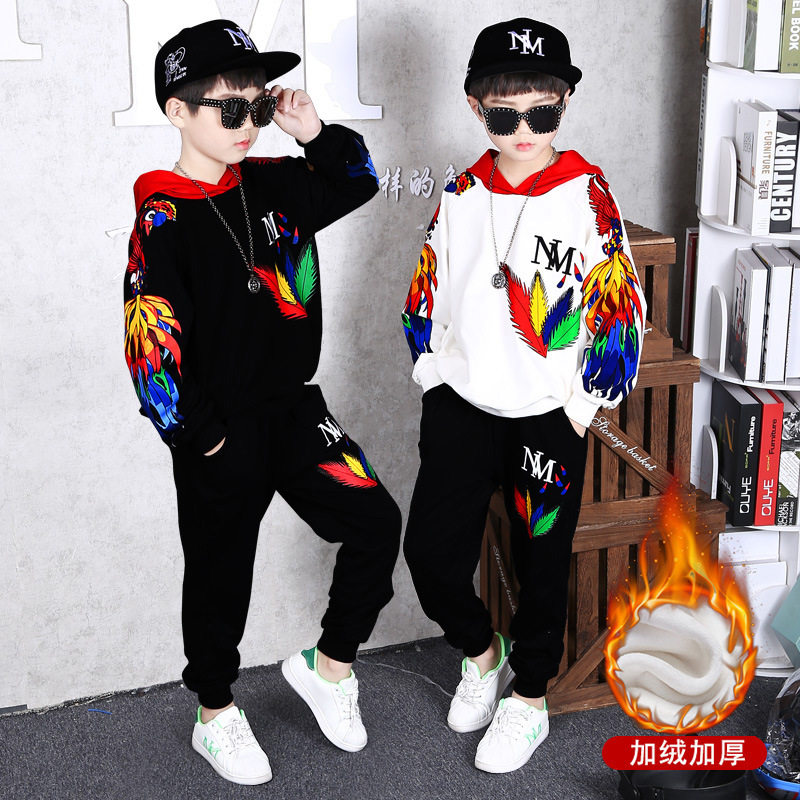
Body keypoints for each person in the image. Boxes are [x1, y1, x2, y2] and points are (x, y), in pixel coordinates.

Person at [123, 19, 401, 786]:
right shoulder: (162, 217)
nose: (248, 123)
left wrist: (314, 134)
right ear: (178, 111)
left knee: (375, 523)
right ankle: (215, 714)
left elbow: (357, 180)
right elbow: (150, 346)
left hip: (296, 411)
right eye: (228, 108)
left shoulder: (277, 183)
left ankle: (329, 668)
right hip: (219, 430)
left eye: (257, 104)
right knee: (220, 578)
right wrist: (202, 437)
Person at [401, 17, 646, 774]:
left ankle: (529, 695)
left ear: (565, 103)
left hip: (546, 414)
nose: (525, 132)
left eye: (544, 113)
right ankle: (483, 653)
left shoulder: (587, 193)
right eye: (505, 117)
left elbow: (622, 303)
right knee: (431, 554)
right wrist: (432, 369)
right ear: (476, 108)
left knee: (543, 563)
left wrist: (583, 402)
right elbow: (429, 283)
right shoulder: (461, 189)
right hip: (463, 404)